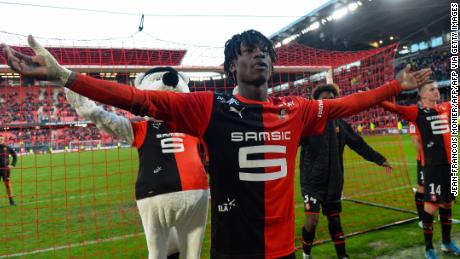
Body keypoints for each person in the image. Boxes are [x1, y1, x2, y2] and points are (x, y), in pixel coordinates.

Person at [0, 31, 430, 259]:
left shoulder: (297, 109)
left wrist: (394, 84)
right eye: (247, 51)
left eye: (264, 50)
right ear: (231, 65)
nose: (258, 55)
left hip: (282, 252)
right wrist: (65, 76)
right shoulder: (209, 107)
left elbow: (344, 105)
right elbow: (139, 98)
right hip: (232, 251)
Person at [65, 67, 209, 259]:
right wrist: (83, 105)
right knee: (166, 251)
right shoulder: (141, 128)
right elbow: (106, 119)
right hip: (166, 195)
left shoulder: (194, 124)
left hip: (191, 194)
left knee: (182, 251)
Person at [299, 84, 392, 259]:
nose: (330, 101)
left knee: (334, 219)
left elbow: (359, 145)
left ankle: (342, 255)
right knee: (312, 221)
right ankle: (306, 253)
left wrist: (380, 159)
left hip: (334, 182)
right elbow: (291, 142)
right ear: (317, 101)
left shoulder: (341, 124)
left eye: (333, 98)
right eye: (325, 98)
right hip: (311, 182)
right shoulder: (309, 123)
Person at [381, 80, 459, 259]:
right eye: (432, 90)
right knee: (431, 207)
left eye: (437, 89)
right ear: (423, 95)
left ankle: (447, 243)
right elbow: (394, 108)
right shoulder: (416, 112)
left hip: (450, 166)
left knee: (447, 204)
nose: (436, 92)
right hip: (432, 167)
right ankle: (429, 248)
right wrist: (376, 97)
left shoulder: (445, 107)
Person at [0, 135, 17, 206]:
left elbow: (15, 156)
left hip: (5, 169)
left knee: (8, 184)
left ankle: (11, 201)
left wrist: (13, 164)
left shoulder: (8, 148)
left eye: (1, 139)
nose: (0, 140)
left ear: (4, 140)